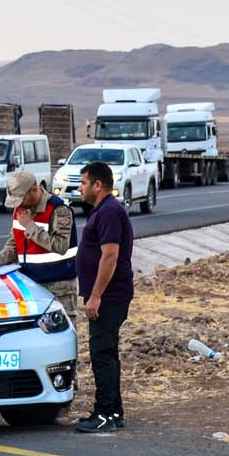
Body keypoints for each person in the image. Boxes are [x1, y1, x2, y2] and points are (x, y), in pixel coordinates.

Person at [73, 159, 134, 433]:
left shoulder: (109, 212)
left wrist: (95, 295)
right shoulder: (104, 210)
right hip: (108, 296)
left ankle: (104, 414)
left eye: (83, 182)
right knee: (108, 352)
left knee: (101, 354)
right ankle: (114, 411)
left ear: (98, 185)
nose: (80, 187)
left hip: (108, 297)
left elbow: (110, 255)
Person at [0, 167, 78, 315]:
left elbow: (61, 246)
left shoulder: (58, 209)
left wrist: (29, 225)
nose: (18, 204)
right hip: (28, 285)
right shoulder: (20, 210)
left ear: (34, 190)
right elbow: (14, 244)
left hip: (58, 288)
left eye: (21, 199)